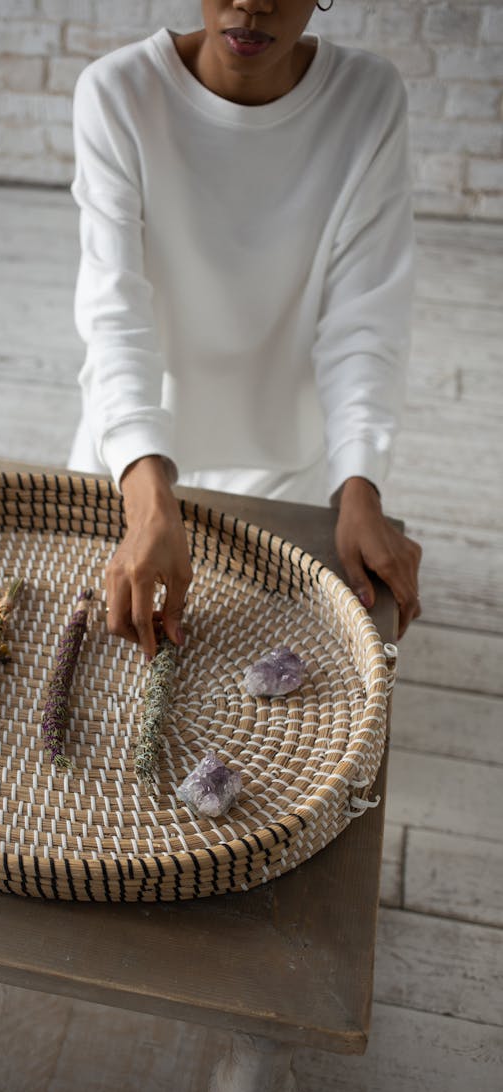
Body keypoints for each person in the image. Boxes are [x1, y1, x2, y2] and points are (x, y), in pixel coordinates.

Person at [68, 0, 422, 657]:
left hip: (286, 470)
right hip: (130, 462)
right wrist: (147, 503)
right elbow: (115, 309)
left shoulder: (366, 100)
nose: (251, 3)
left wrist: (360, 484)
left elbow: (366, 315)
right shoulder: (119, 94)